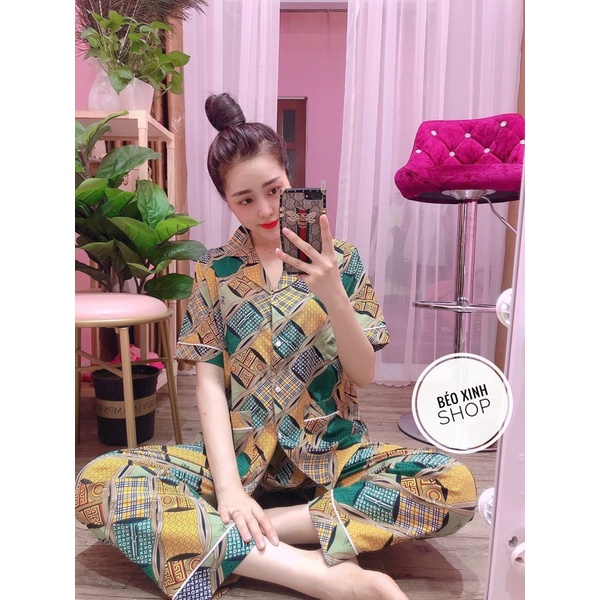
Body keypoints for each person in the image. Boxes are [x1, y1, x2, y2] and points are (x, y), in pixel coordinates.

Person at [75, 93, 478, 600]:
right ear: (227, 201)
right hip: (239, 462)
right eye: (245, 200)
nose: (264, 210)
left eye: (273, 190)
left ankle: (252, 531)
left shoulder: (342, 260)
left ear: (290, 176)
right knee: (97, 483)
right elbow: (209, 384)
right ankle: (319, 574)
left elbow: (364, 373)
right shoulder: (215, 270)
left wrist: (333, 294)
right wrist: (227, 490)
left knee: (455, 485)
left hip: (334, 461)